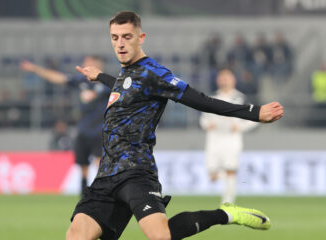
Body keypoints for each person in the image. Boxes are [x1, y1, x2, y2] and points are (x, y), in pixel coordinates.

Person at [67, 11, 284, 240]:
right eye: (115, 37)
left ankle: (225, 214)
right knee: (76, 237)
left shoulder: (155, 72)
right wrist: (100, 76)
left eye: (127, 37)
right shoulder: (127, 73)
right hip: (107, 174)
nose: (120, 44)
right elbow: (127, 88)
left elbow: (200, 100)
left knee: (162, 237)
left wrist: (254, 112)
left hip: (136, 171)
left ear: (141, 37)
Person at [20, 55, 110, 194]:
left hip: (99, 131)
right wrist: (35, 69)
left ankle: (104, 195)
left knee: (100, 164)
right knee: (83, 167)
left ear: (97, 66)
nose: (85, 66)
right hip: (83, 131)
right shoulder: (80, 81)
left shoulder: (106, 84)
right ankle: (84, 197)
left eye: (88, 64)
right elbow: (58, 78)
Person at [200, 69, 258, 204]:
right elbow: (203, 119)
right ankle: (229, 181)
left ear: (234, 80)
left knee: (230, 169)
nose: (224, 79)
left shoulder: (241, 98)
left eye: (227, 77)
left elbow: (253, 119)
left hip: (232, 139)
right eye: (222, 77)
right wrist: (207, 124)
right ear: (217, 80)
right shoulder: (211, 98)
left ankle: (228, 203)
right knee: (213, 175)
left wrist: (241, 127)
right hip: (214, 139)